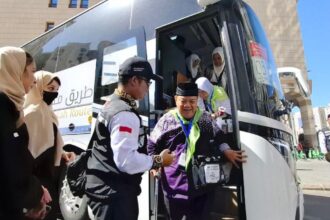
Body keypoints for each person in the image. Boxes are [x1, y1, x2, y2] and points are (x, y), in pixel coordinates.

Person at [85, 56, 175, 220]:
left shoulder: (112, 103)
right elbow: (126, 161)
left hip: (106, 190)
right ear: (134, 80)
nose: (148, 87)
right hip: (114, 195)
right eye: (147, 82)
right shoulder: (124, 114)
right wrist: (158, 160)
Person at [147, 82, 246, 220]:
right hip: (174, 186)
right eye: (183, 101)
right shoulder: (167, 120)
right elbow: (151, 144)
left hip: (202, 187)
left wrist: (227, 150)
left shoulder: (204, 118)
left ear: (197, 100)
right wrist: (154, 164)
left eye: (192, 101)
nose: (187, 105)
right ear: (176, 99)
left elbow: (218, 137)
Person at [0, 46, 51, 219]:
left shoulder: (10, 106)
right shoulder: (2, 106)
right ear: (14, 72)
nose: (34, 80)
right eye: (32, 72)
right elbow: (10, 164)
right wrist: (35, 194)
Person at [23, 70, 76, 219]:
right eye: (50, 88)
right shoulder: (32, 113)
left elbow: (48, 142)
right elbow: (28, 150)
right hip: (37, 179)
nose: (54, 93)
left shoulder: (47, 111)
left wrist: (63, 153)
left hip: (49, 177)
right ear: (38, 87)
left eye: (57, 90)